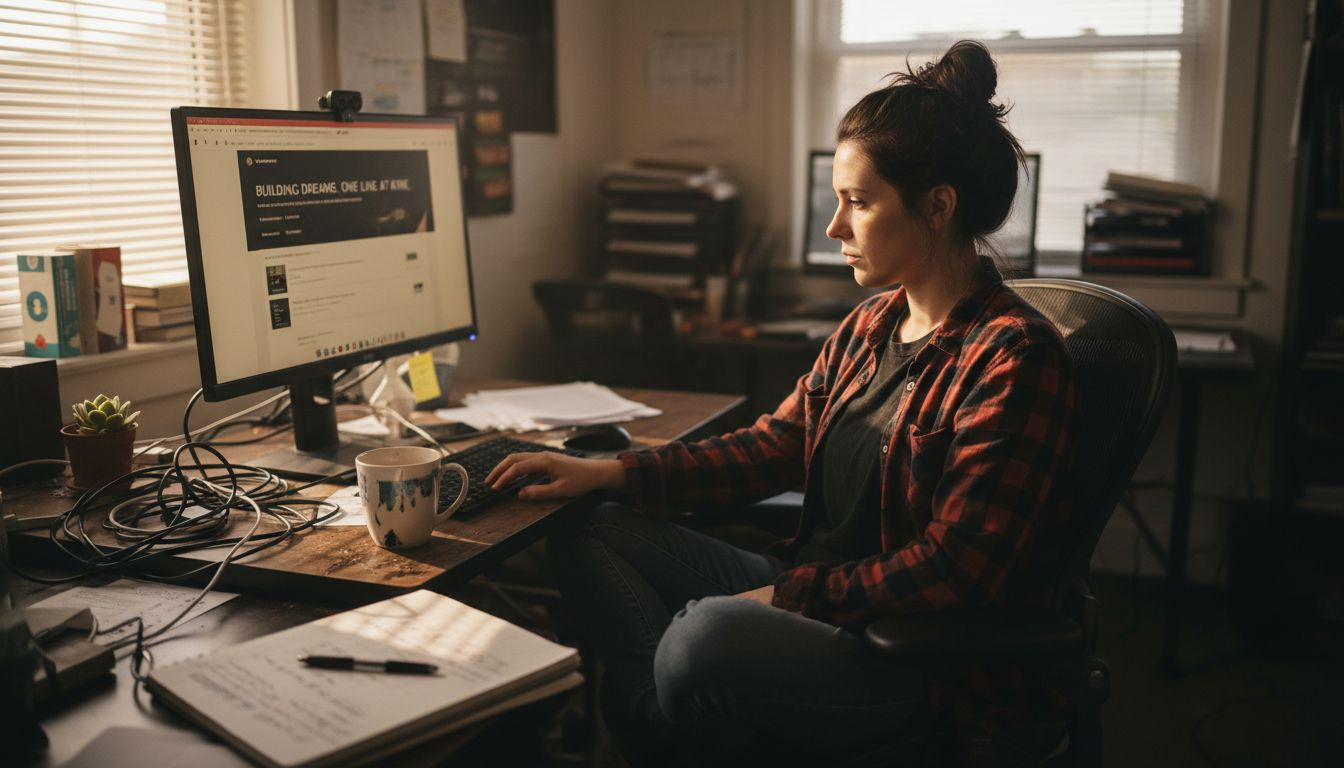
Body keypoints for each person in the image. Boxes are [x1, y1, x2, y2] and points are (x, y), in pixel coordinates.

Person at [487, 40, 1078, 766]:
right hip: (813, 597)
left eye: (857, 204)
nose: (834, 228)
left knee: (700, 639)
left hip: (910, 661)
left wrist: (790, 599)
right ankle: (684, 725)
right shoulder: (872, 323)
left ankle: (675, 722)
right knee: (588, 527)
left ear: (936, 207)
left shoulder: (1015, 356)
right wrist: (610, 471)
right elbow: (775, 446)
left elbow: (953, 571)